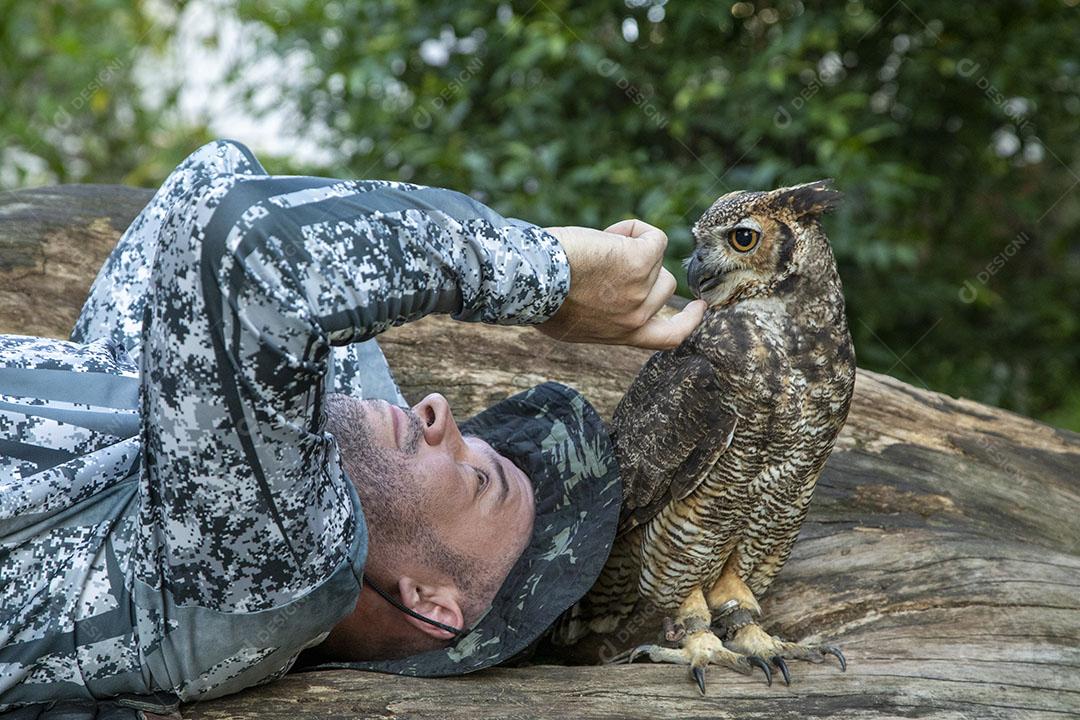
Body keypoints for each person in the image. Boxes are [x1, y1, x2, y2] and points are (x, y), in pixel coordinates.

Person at [0, 140, 705, 714]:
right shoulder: (187, 490)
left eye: (478, 479)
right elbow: (216, 176)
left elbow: (246, 245)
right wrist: (371, 417)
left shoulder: (267, 584)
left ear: (429, 604)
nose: (438, 410)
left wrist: (551, 275)